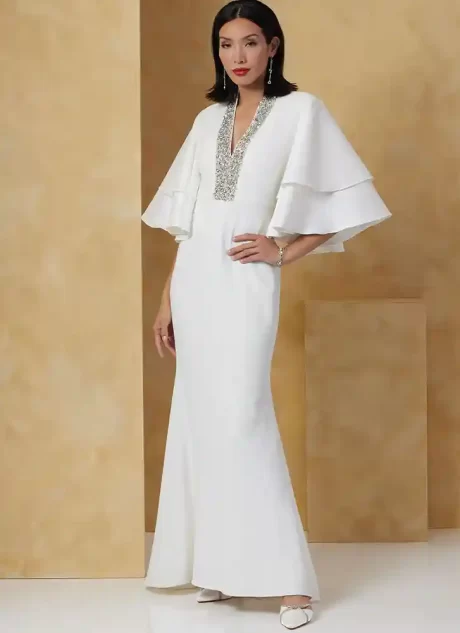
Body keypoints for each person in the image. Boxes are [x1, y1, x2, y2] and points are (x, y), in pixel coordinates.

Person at [141, 1, 392, 629]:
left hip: (246, 284)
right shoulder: (207, 121)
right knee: (201, 421)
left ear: (273, 46)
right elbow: (190, 223)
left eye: (250, 42)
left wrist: (283, 250)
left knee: (243, 418)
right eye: (226, 44)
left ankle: (290, 584)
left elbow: (346, 204)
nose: (238, 56)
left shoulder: (302, 112)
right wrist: (167, 299)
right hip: (195, 286)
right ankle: (217, 567)